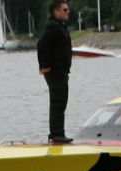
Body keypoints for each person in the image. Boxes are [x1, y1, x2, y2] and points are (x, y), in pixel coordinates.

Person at [37, 0, 73, 144]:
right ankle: (57, 134)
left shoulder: (59, 26)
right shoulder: (53, 26)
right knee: (58, 101)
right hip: (56, 71)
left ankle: (58, 133)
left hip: (61, 71)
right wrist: (45, 66)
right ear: (56, 11)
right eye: (65, 10)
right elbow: (42, 44)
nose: (67, 12)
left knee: (61, 101)